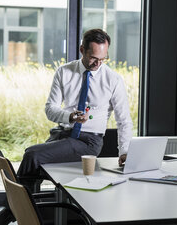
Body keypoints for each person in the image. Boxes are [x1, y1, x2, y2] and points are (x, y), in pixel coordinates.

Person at [17, 28, 133, 184]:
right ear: (82, 50)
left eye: (103, 59)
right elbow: (50, 109)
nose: (98, 63)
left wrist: (124, 151)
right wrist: (70, 116)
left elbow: (124, 120)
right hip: (62, 135)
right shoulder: (64, 72)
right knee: (33, 161)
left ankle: (18, 206)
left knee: (32, 155)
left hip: (89, 142)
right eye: (93, 58)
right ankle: (26, 205)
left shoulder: (113, 80)